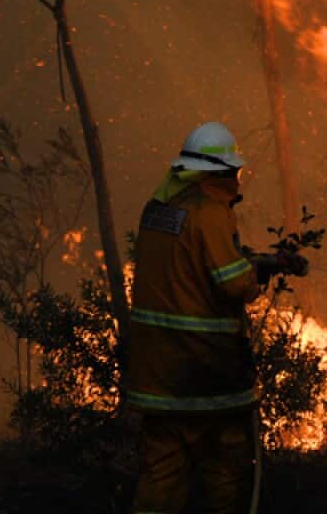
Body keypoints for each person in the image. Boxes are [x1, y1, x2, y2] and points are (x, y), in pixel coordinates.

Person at [127, 122, 306, 514]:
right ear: (222, 173)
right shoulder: (209, 212)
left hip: (158, 374)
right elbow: (231, 284)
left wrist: (265, 262)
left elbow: (190, 268)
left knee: (160, 477)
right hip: (205, 373)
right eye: (235, 172)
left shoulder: (159, 208)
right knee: (224, 477)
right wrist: (257, 276)